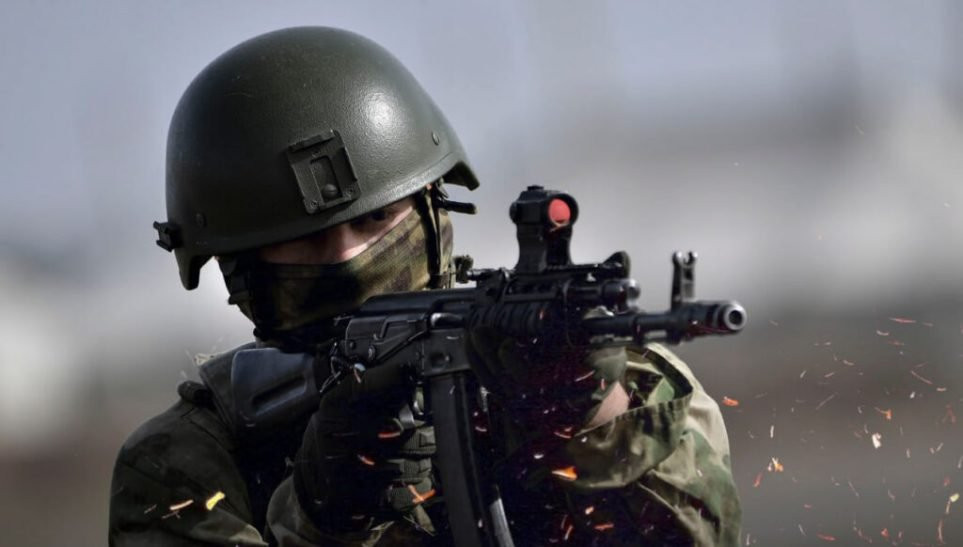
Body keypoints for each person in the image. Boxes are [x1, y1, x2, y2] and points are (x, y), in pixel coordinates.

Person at [109, 27, 741, 546]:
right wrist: (324, 516)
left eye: (375, 220)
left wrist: (594, 420)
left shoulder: (623, 381)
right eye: (306, 239)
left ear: (433, 208)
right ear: (239, 263)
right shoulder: (182, 465)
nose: (349, 257)